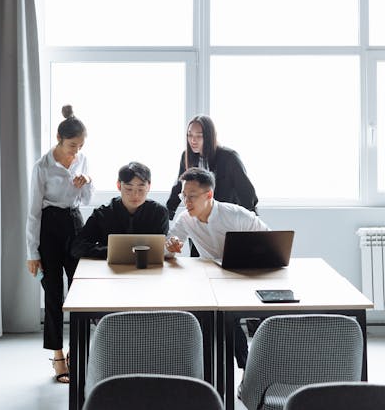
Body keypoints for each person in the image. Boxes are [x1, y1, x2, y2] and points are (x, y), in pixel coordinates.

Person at [166, 167, 269, 369]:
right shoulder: (185, 219)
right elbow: (169, 245)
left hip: (243, 275)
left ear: (209, 195)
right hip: (211, 280)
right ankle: (228, 368)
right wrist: (171, 247)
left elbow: (269, 240)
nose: (186, 202)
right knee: (215, 317)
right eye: (183, 196)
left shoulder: (236, 215)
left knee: (229, 318)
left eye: (192, 197)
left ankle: (246, 368)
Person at [26, 104, 93, 384]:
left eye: (79, 146)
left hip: (74, 223)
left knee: (80, 293)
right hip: (49, 227)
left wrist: (87, 180)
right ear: (58, 138)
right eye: (71, 145)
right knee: (53, 294)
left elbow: (87, 200)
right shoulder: (42, 167)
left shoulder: (82, 160)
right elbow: (33, 212)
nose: (75, 152)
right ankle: (57, 356)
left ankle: (78, 354)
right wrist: (32, 252)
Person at [166, 115, 258, 221]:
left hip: (225, 219)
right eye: (189, 135)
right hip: (199, 219)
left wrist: (249, 223)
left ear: (209, 136)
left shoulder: (229, 157)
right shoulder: (187, 157)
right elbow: (179, 185)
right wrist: (168, 212)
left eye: (199, 136)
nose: (193, 140)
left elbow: (247, 193)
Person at [71, 161, 169, 259]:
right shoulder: (103, 213)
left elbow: (161, 249)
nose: (135, 195)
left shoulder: (159, 213)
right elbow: (78, 247)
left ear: (149, 187)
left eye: (141, 189)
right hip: (110, 268)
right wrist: (112, 251)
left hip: (147, 268)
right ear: (119, 186)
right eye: (129, 189)